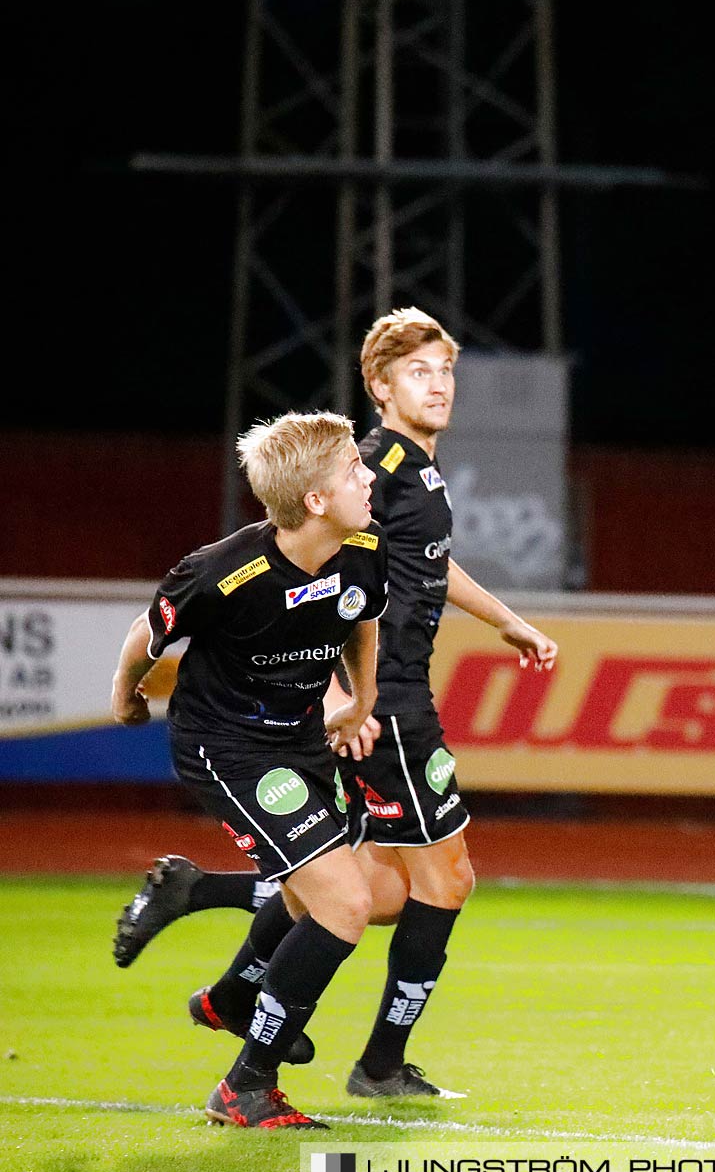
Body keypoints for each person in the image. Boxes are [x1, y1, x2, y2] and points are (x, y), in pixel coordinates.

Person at [113, 307, 558, 1100]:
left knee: (374, 890)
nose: (440, 385)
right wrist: (351, 699)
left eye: (447, 370)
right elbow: (317, 590)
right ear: (379, 387)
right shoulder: (376, 465)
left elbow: (417, 569)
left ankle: (227, 966)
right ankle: (370, 1065)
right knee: (433, 882)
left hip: (388, 693)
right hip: (386, 708)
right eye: (420, 371)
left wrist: (506, 621)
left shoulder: (416, 470)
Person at [110, 411, 388, 1128]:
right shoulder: (221, 572)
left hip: (298, 740)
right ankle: (246, 1086)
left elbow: (360, 616)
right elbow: (149, 632)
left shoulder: (360, 547)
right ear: (316, 501)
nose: (368, 476)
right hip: (225, 747)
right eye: (354, 469)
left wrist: (361, 701)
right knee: (346, 903)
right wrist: (125, 697)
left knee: (309, 900)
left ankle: (232, 1000)